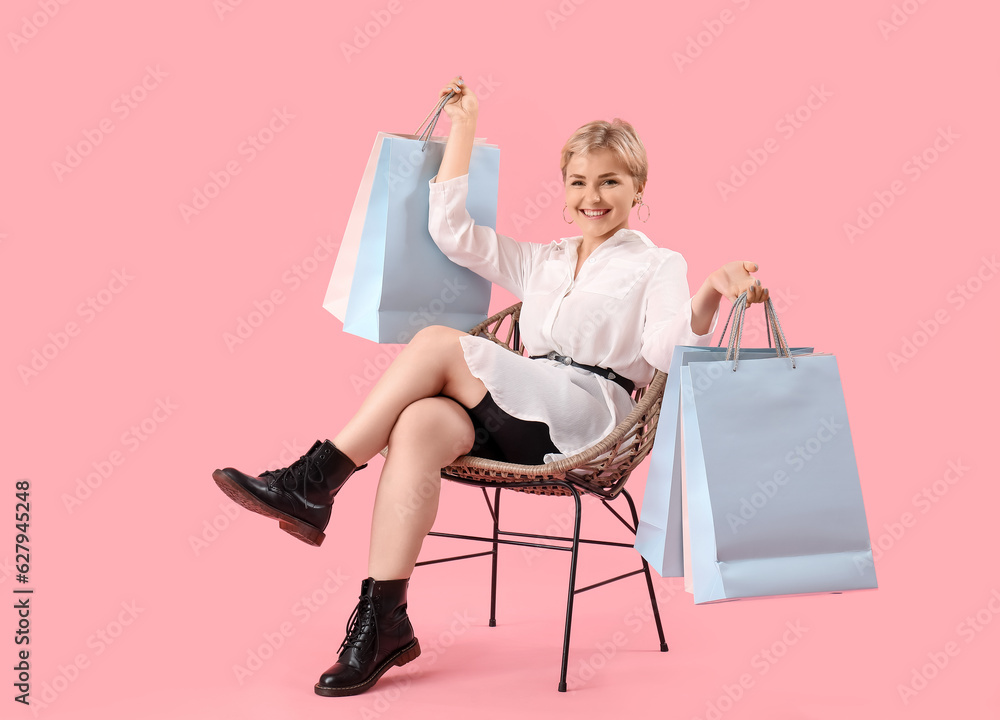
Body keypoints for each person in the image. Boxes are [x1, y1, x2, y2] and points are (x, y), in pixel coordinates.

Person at [211, 74, 770, 697]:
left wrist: (711, 293)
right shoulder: (546, 260)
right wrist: (465, 126)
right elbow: (453, 233)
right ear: (564, 190)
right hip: (514, 408)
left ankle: (315, 480)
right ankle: (381, 623)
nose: (594, 196)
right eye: (579, 181)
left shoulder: (657, 264)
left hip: (586, 420)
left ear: (638, 188)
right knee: (420, 425)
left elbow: (666, 351)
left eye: (610, 180)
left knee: (435, 343)